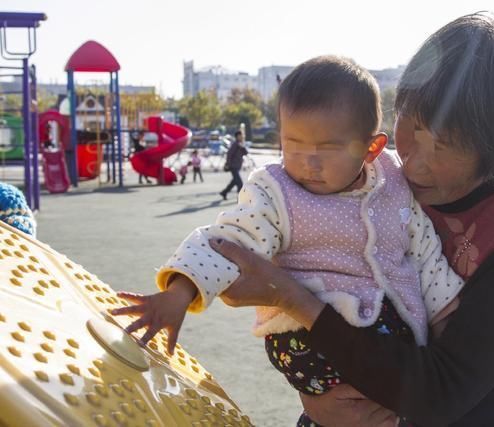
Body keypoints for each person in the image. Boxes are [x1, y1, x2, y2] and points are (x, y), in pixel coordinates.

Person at [153, 14, 494, 426]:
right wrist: (315, 395)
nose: (413, 160)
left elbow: (442, 393)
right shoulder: (377, 176)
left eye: (443, 147)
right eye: (411, 124)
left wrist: (292, 298)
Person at [112, 56, 465, 426]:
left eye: (328, 149)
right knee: (375, 392)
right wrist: (179, 293)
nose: (308, 162)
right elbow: (228, 240)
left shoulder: (392, 180)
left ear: (371, 149)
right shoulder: (276, 191)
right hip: (306, 339)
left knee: (393, 386)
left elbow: (424, 250)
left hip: (389, 330)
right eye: (292, 145)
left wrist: (444, 315)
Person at [219, 131, 248, 200]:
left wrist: (242, 147)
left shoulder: (240, 144)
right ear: (237, 136)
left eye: (242, 136)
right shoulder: (235, 144)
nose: (242, 137)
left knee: (234, 181)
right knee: (240, 183)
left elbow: (246, 153)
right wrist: (228, 164)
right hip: (233, 166)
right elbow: (229, 154)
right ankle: (241, 199)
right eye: (240, 136)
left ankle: (224, 192)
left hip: (237, 166)